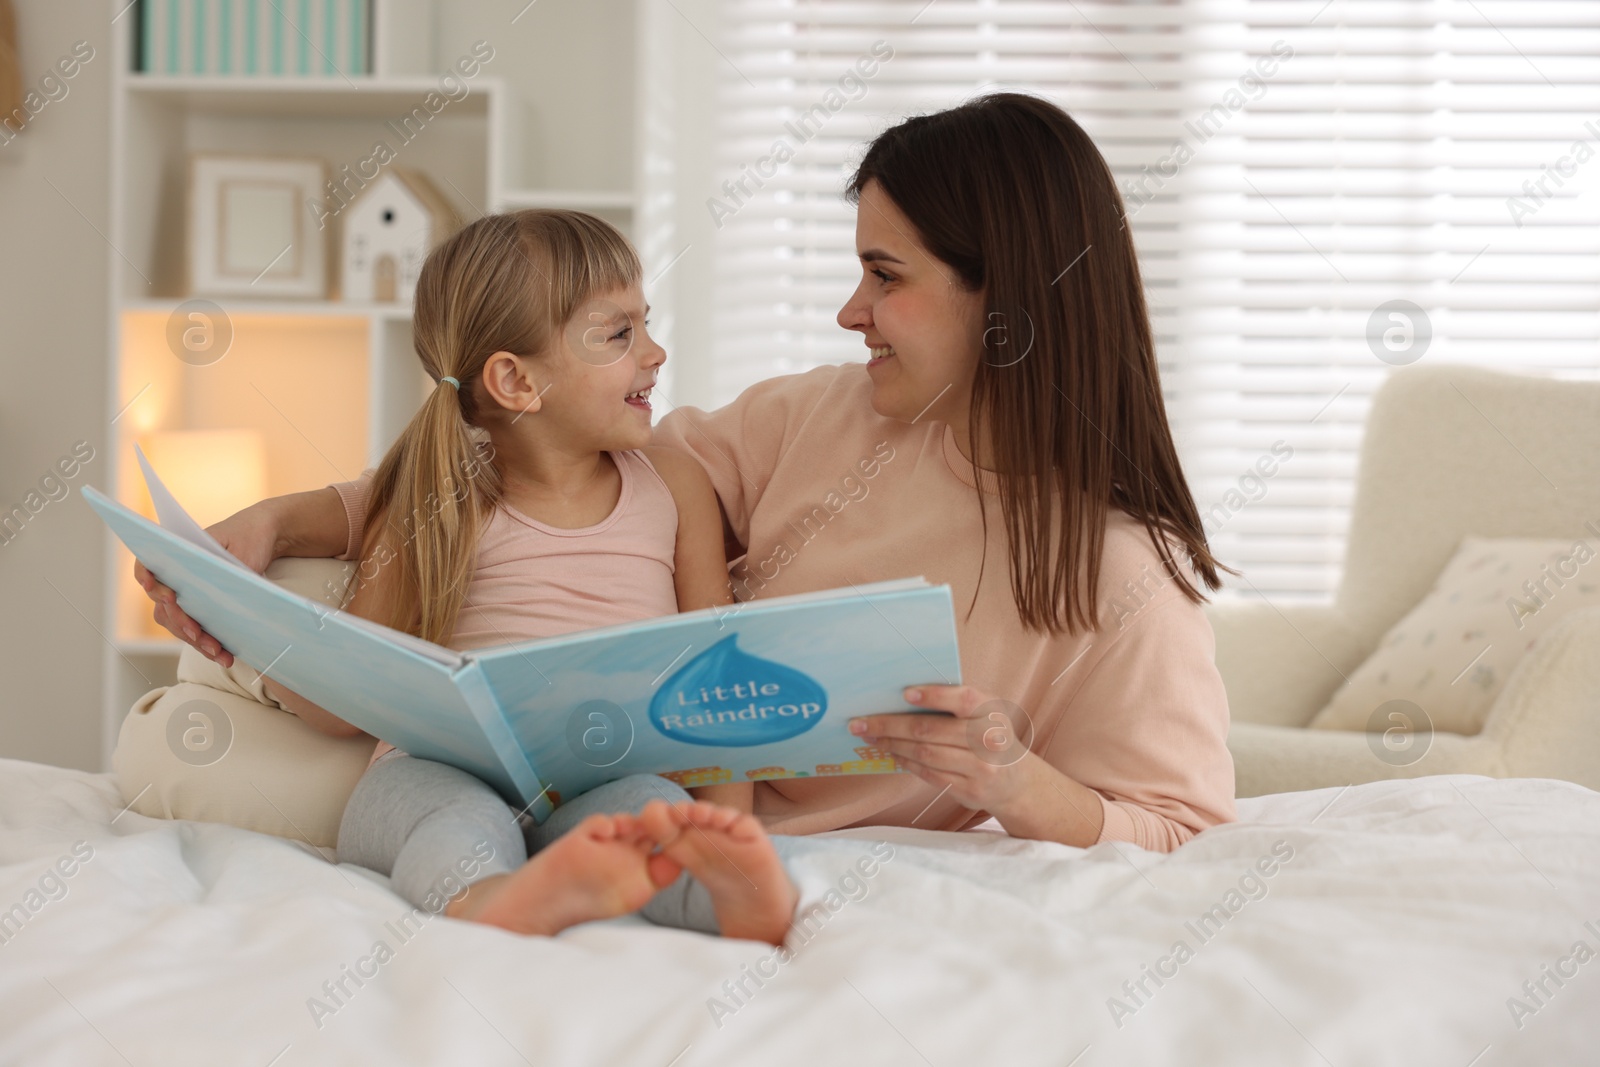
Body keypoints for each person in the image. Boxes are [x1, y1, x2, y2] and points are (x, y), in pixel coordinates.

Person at [140, 92, 1236, 860]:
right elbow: (533, 459)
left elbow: (1181, 832)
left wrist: (1017, 784)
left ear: (1004, 300)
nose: (850, 310)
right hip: (535, 752)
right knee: (187, 728)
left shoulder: (1119, 572)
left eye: (883, 275)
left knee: (188, 757)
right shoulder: (818, 411)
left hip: (662, 816)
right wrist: (285, 515)